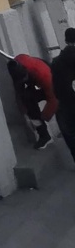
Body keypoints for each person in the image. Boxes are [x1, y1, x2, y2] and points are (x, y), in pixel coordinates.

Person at [10, 51, 57, 148]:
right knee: (27, 98)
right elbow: (19, 93)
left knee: (60, 102)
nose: (23, 81)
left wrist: (44, 117)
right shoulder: (16, 66)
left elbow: (53, 100)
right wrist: (25, 114)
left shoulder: (44, 74)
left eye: (24, 79)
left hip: (54, 82)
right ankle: (44, 136)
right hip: (34, 78)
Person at [51, 26, 75, 164]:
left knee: (70, 132)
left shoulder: (56, 62)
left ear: (65, 41)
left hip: (64, 103)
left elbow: (54, 85)